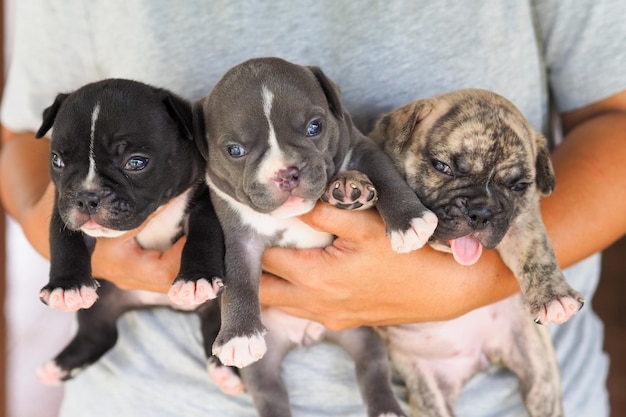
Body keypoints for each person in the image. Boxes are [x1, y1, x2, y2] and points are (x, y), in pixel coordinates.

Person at [1, 1, 625, 416]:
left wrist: (463, 282)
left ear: (332, 107)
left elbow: (616, 121)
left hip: (503, 389)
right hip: (162, 395)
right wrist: (98, 251)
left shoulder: (350, 141)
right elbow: (24, 147)